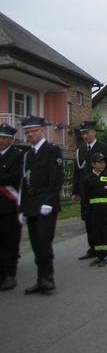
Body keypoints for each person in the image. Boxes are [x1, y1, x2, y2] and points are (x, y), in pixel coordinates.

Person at [20, 116, 64, 295]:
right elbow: (25, 182)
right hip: (31, 204)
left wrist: (48, 202)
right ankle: (40, 279)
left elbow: (56, 179)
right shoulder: (28, 154)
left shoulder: (52, 150)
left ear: (42, 130)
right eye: (27, 132)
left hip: (46, 204)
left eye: (33, 131)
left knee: (44, 241)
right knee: (36, 243)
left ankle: (48, 278)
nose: (30, 135)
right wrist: (21, 208)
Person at [71, 121, 107, 261]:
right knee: (88, 220)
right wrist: (75, 191)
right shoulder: (80, 150)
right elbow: (77, 172)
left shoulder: (103, 148)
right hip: (86, 191)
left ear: (94, 132)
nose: (85, 136)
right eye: (83, 133)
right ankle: (93, 248)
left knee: (102, 221)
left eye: (87, 132)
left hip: (100, 191)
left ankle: (105, 249)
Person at [79, 153, 107, 266]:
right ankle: (100, 255)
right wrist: (84, 211)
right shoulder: (88, 178)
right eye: (99, 162)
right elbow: (84, 197)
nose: (102, 164)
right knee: (96, 233)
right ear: (93, 164)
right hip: (93, 212)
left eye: (103, 162)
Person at [0, 123, 24, 291]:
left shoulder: (18, 155)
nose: (1, 141)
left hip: (9, 205)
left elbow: (15, 178)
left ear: (11, 139)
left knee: (10, 240)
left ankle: (10, 274)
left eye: (5, 138)